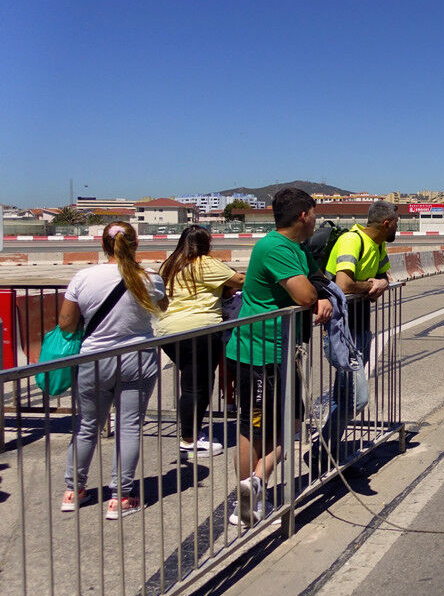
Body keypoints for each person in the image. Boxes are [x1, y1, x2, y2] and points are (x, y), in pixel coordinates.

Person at [225, 188, 331, 526]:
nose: (316, 219)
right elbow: (304, 294)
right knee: (255, 429)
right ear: (303, 215)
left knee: (285, 426)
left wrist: (321, 293)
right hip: (261, 352)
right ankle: (250, 492)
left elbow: (318, 281)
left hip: (281, 352)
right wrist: (315, 296)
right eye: (314, 213)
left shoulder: (296, 248)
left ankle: (254, 485)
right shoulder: (275, 247)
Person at [58, 222, 168, 519]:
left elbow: (66, 323)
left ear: (103, 245)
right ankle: (120, 497)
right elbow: (163, 307)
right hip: (138, 358)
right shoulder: (149, 278)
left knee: (87, 425)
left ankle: (73, 490)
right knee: (129, 426)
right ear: (135, 244)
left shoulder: (83, 277)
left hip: (94, 359)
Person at [316, 200, 396, 469]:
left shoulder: (378, 244)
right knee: (355, 397)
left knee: (345, 394)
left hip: (361, 327)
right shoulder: (353, 241)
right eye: (396, 222)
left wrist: (381, 282)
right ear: (386, 223)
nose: (398, 227)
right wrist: (369, 287)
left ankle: (330, 451)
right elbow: (344, 284)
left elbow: (385, 276)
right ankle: (325, 447)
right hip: (341, 331)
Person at [157, 225, 245, 462]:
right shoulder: (206, 263)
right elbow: (239, 281)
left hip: (169, 330)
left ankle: (191, 431)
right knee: (198, 386)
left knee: (190, 383)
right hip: (199, 329)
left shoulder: (170, 264)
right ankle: (189, 439)